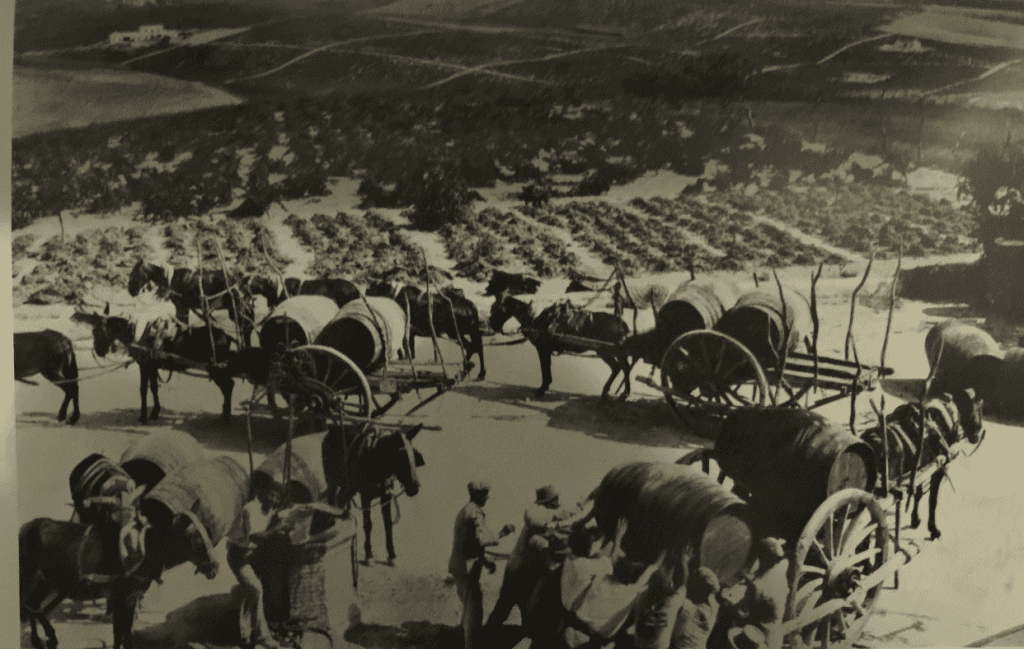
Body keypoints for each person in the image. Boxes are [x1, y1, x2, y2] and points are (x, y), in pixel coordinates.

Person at [487, 485, 585, 631]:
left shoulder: (549, 514)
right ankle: (486, 634)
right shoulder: (536, 521)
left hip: (528, 572)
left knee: (526, 608)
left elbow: (567, 514)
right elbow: (540, 536)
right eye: (555, 499)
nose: (558, 501)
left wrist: (583, 504)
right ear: (549, 501)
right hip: (517, 571)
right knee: (505, 605)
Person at [225, 484, 301, 649]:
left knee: (252, 591)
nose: (273, 500)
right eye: (271, 495)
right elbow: (255, 537)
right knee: (256, 588)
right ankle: (262, 636)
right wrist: (278, 528)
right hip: (238, 555)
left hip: (252, 554)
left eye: (277, 498)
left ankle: (245, 635)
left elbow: (275, 523)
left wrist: (286, 527)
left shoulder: (270, 510)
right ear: (264, 493)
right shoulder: (251, 509)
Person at [449, 481, 516, 649]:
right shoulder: (474, 513)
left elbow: (469, 544)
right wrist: (501, 533)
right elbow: (480, 539)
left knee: (469, 609)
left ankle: (462, 639)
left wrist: (484, 560)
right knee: (474, 614)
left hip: (460, 566)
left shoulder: (466, 509)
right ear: (477, 495)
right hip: (466, 570)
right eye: (485, 494)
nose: (488, 497)